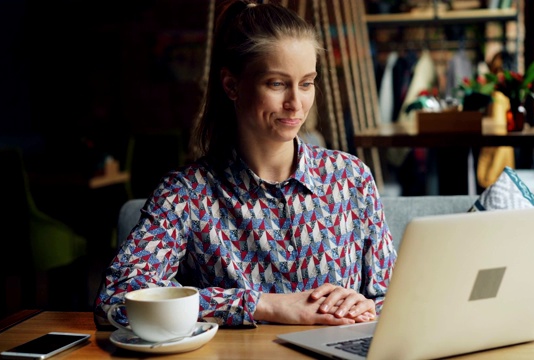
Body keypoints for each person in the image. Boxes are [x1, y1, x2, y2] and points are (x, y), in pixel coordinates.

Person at [94, 0, 396, 328]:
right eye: (277, 84)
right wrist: (262, 304)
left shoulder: (351, 178)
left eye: (307, 83)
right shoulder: (187, 194)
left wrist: (366, 304)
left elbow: (394, 299)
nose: (296, 103)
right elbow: (117, 298)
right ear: (231, 85)